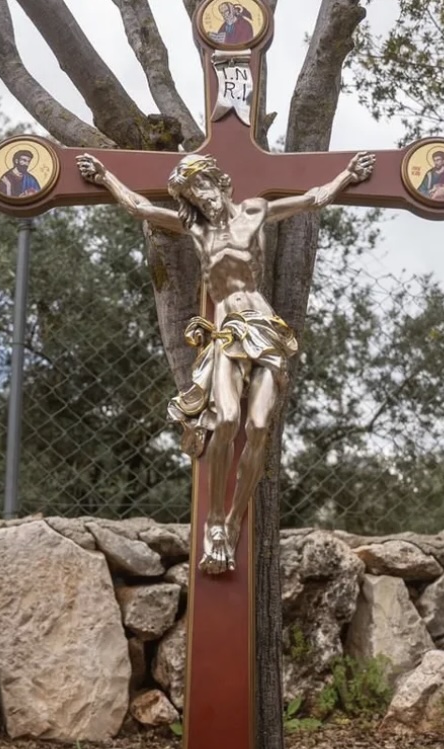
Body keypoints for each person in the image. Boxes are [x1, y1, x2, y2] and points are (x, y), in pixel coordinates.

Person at [75, 150, 375, 573]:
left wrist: (347, 174)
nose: (200, 197)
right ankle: (214, 523)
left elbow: (313, 199)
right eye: (191, 194)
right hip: (226, 331)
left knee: (257, 427)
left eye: (201, 186)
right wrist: (105, 176)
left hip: (265, 328)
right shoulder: (195, 230)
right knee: (228, 419)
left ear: (217, 181)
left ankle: (234, 522)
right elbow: (139, 208)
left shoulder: (255, 211)